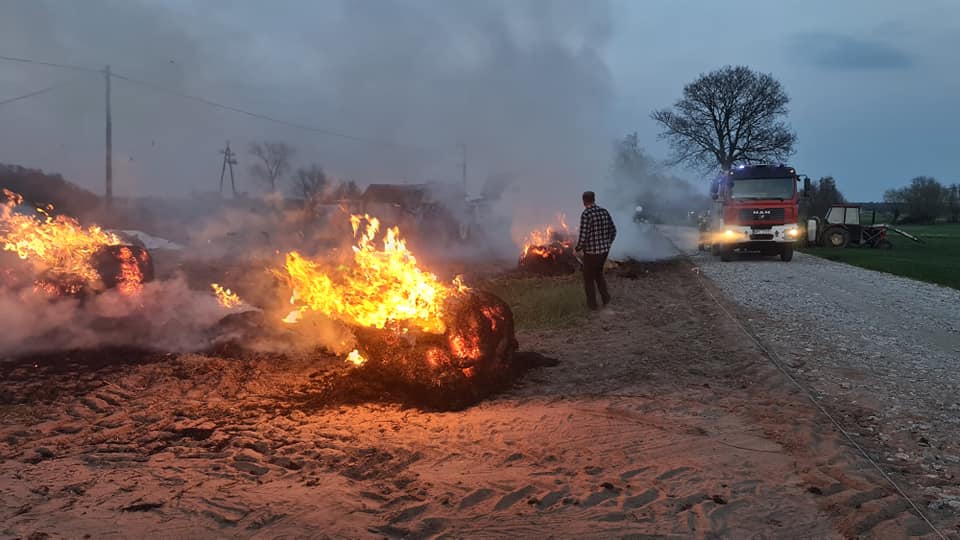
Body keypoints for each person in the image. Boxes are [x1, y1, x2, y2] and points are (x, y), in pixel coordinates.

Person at [574, 191, 616, 310]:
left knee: (588, 279)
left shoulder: (586, 214)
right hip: (604, 251)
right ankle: (606, 298)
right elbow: (613, 230)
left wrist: (577, 249)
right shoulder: (604, 211)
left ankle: (592, 305)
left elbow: (583, 236)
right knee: (598, 274)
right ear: (594, 199)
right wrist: (608, 243)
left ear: (584, 201)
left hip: (592, 253)